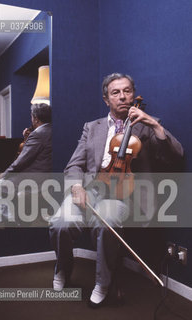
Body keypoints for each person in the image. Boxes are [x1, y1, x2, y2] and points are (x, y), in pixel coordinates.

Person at [49, 73, 183, 307]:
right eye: (116, 92)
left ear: (133, 93)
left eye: (127, 91)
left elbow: (176, 156)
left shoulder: (147, 126)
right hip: (90, 189)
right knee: (60, 223)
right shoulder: (92, 127)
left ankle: (103, 282)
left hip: (122, 192)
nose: (123, 97)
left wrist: (153, 123)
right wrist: (77, 186)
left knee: (107, 221)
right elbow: (74, 164)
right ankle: (63, 268)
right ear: (106, 99)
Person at [0, 103, 52, 225]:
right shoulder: (50, 130)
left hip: (35, 179)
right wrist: (27, 139)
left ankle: (6, 221)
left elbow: (22, 160)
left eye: (32, 117)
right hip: (46, 175)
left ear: (36, 118)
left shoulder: (37, 134)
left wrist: (5, 174)